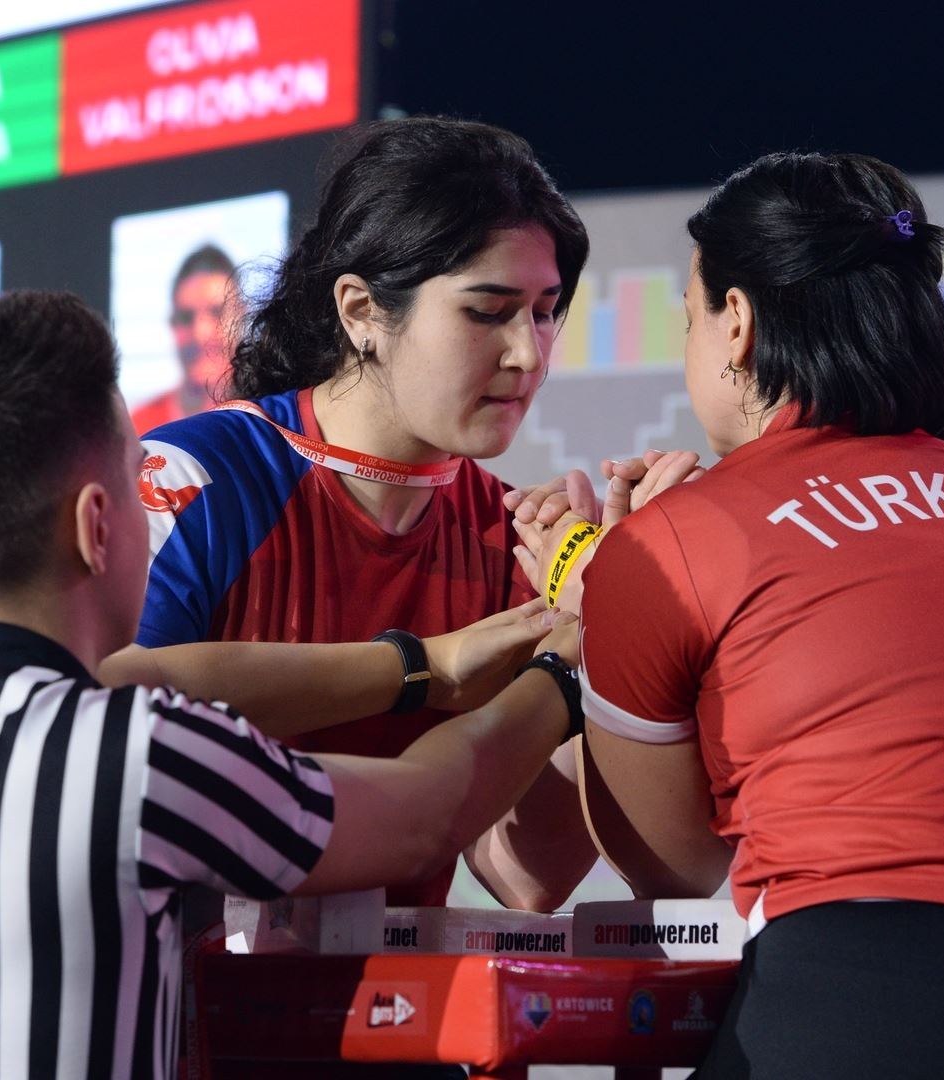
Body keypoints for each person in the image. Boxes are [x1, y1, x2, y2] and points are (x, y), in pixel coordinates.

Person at [515, 152, 944, 1076]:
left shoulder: (678, 537)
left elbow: (671, 864)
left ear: (738, 323)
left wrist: (594, 604)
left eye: (689, 318)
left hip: (891, 980)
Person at [0, 291, 583, 1080]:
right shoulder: (136, 760)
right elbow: (424, 815)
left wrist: (423, 667)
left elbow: (163, 675)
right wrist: (567, 656)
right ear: (97, 527)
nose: (156, 502)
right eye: (139, 480)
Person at [116, 115, 596, 910]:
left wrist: (600, 627)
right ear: (361, 310)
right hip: (177, 1021)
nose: (529, 354)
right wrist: (422, 671)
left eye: (545, 311)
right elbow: (96, 720)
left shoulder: (515, 537)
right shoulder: (191, 476)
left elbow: (527, 874)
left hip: (395, 1030)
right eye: (488, 311)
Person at [128, 245, 242, 434]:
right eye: (186, 317)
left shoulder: (267, 420)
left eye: (217, 312)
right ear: (172, 325)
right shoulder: (139, 427)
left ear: (242, 316)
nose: (200, 333)